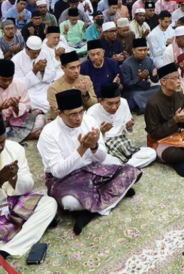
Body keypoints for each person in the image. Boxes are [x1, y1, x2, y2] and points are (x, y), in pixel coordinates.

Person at [37, 89, 141, 235]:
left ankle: (89, 210)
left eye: (81, 112)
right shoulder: (48, 133)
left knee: (129, 171)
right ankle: (113, 195)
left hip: (92, 169)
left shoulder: (89, 121)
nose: (79, 118)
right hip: (65, 179)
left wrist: (93, 147)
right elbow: (58, 172)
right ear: (60, 113)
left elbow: (101, 158)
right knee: (70, 203)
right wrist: (82, 148)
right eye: (73, 114)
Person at [0, 112, 58, 257]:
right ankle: (24, 232)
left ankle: (6, 251)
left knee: (49, 204)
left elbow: (28, 186)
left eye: (2, 141)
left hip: (13, 202)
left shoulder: (14, 148)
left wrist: (13, 179)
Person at [87, 84, 155, 168]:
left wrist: (128, 126)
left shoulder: (123, 102)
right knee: (102, 161)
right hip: (105, 145)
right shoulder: (91, 112)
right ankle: (124, 166)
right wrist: (102, 132)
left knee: (151, 153)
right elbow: (93, 142)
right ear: (100, 101)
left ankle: (123, 167)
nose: (114, 107)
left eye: (117, 102)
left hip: (122, 142)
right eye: (110, 103)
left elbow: (127, 125)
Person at [0, 59, 41, 143]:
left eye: (10, 79)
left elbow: (27, 106)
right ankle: (26, 136)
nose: (7, 83)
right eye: (4, 79)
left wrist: (17, 106)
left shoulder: (20, 84)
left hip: (17, 123)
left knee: (41, 120)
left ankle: (6, 139)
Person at [11, 36, 54, 124]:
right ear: (26, 49)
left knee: (55, 95)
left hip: (44, 87)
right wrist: (34, 71)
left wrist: (43, 71)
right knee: (24, 101)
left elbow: (53, 75)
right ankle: (40, 112)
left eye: (38, 52)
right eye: (34, 53)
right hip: (29, 91)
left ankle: (39, 111)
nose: (37, 55)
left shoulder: (45, 54)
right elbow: (19, 85)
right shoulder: (16, 60)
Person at [47, 51, 97, 120]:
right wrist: (77, 94)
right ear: (63, 68)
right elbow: (61, 113)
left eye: (78, 66)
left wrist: (85, 94)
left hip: (85, 118)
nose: (76, 71)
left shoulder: (85, 80)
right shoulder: (54, 88)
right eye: (72, 68)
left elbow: (94, 106)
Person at [119, 38, 160, 114]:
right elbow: (126, 84)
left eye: (145, 50)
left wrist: (155, 76)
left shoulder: (149, 60)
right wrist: (139, 78)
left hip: (146, 89)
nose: (143, 52)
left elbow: (155, 80)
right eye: (140, 50)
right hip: (132, 92)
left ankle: (143, 106)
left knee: (161, 88)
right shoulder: (126, 64)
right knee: (135, 97)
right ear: (133, 50)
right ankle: (147, 105)